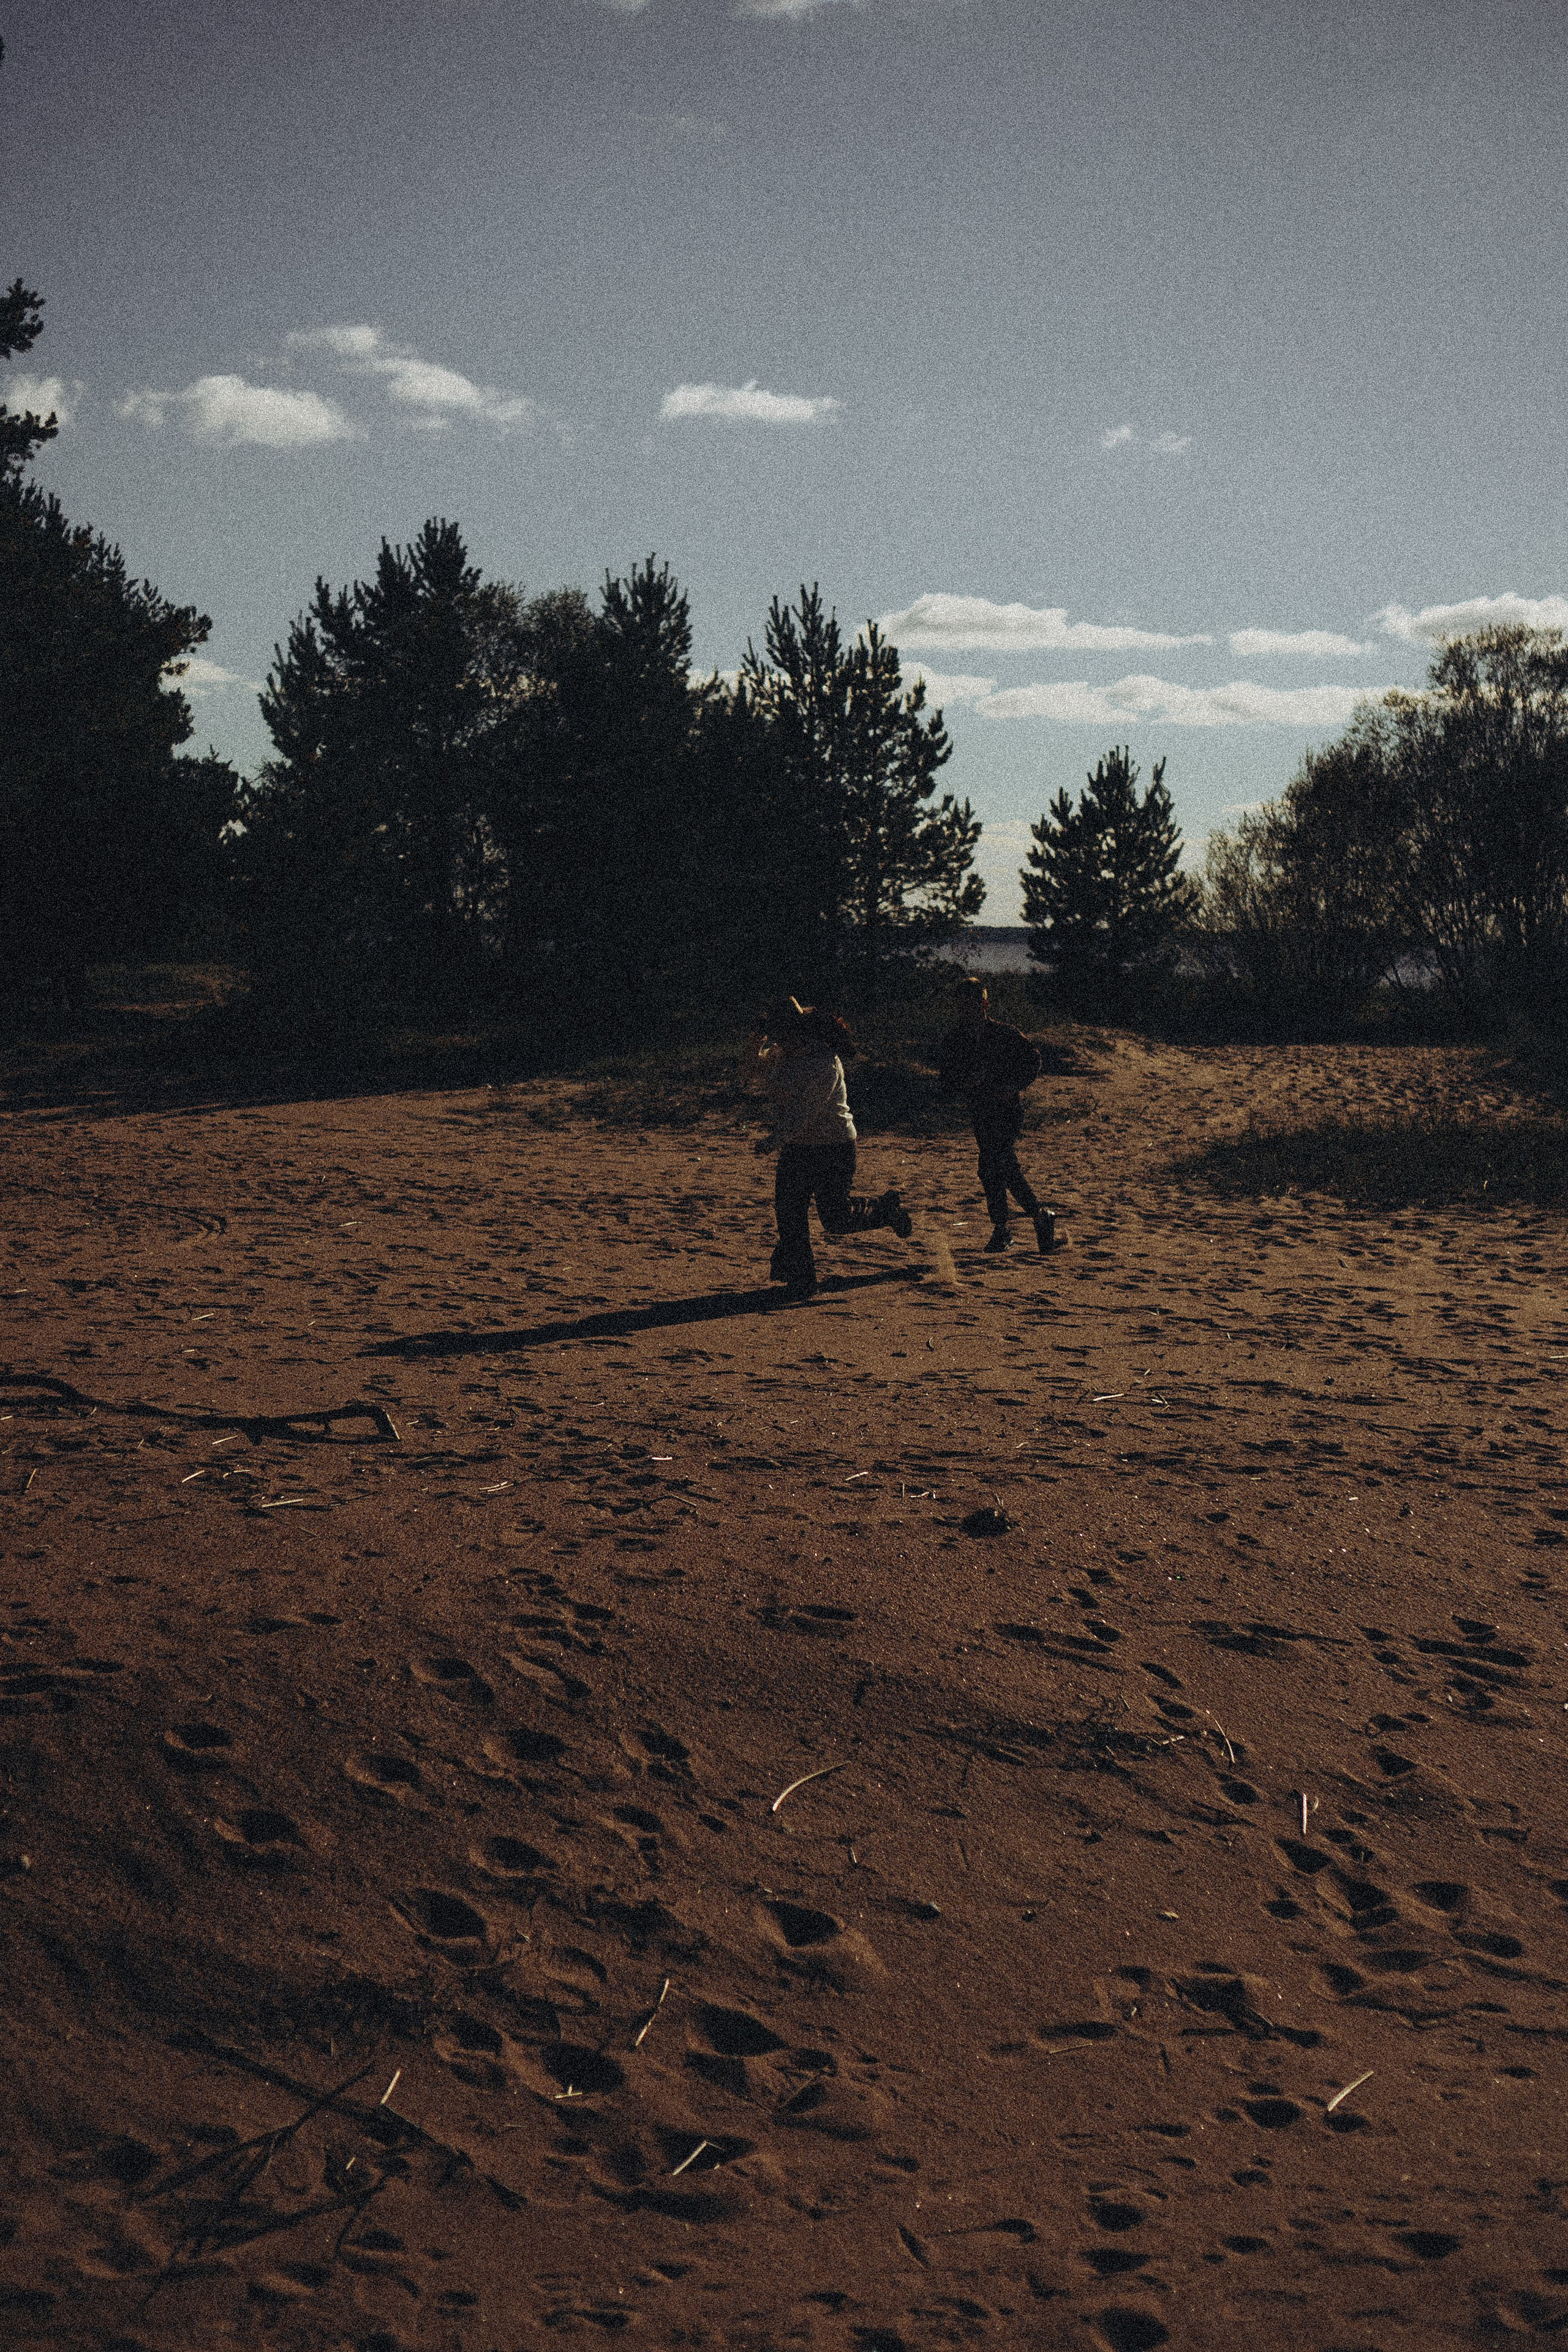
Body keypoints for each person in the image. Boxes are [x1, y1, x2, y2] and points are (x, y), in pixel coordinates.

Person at [752, 998, 913, 1299]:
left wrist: (774, 1140)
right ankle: (802, 1280)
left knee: (836, 1220)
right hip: (797, 1147)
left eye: (780, 1033)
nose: (778, 1039)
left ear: (797, 1031)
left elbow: (806, 1112)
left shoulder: (824, 1062)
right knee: (789, 1212)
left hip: (834, 1146)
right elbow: (751, 1071)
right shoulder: (781, 1054)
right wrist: (754, 1042)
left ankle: (886, 1210)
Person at [937, 976, 1055, 1253]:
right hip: (981, 1111)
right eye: (961, 1005)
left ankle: (1006, 1228)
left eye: (971, 1004)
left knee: (993, 1165)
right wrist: (966, 1083)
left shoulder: (1004, 1033)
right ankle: (1036, 1217)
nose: (965, 1010)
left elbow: (1033, 1060)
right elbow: (947, 1078)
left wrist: (1012, 1086)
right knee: (1000, 1167)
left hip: (1007, 1110)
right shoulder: (956, 1040)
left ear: (983, 1004)